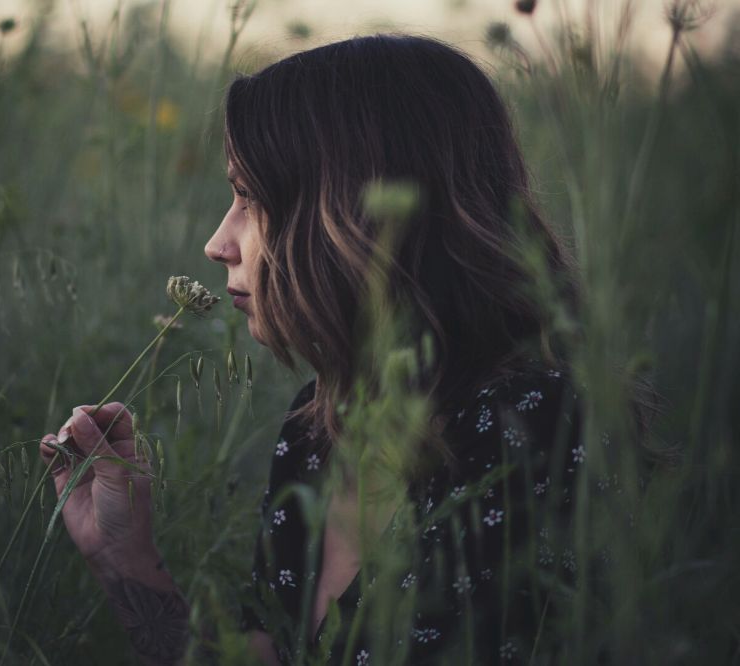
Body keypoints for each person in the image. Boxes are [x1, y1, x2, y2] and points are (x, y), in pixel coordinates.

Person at [40, 34, 647, 665]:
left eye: (250, 199)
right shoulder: (320, 427)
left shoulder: (536, 427)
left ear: (354, 212)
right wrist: (123, 557)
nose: (218, 242)